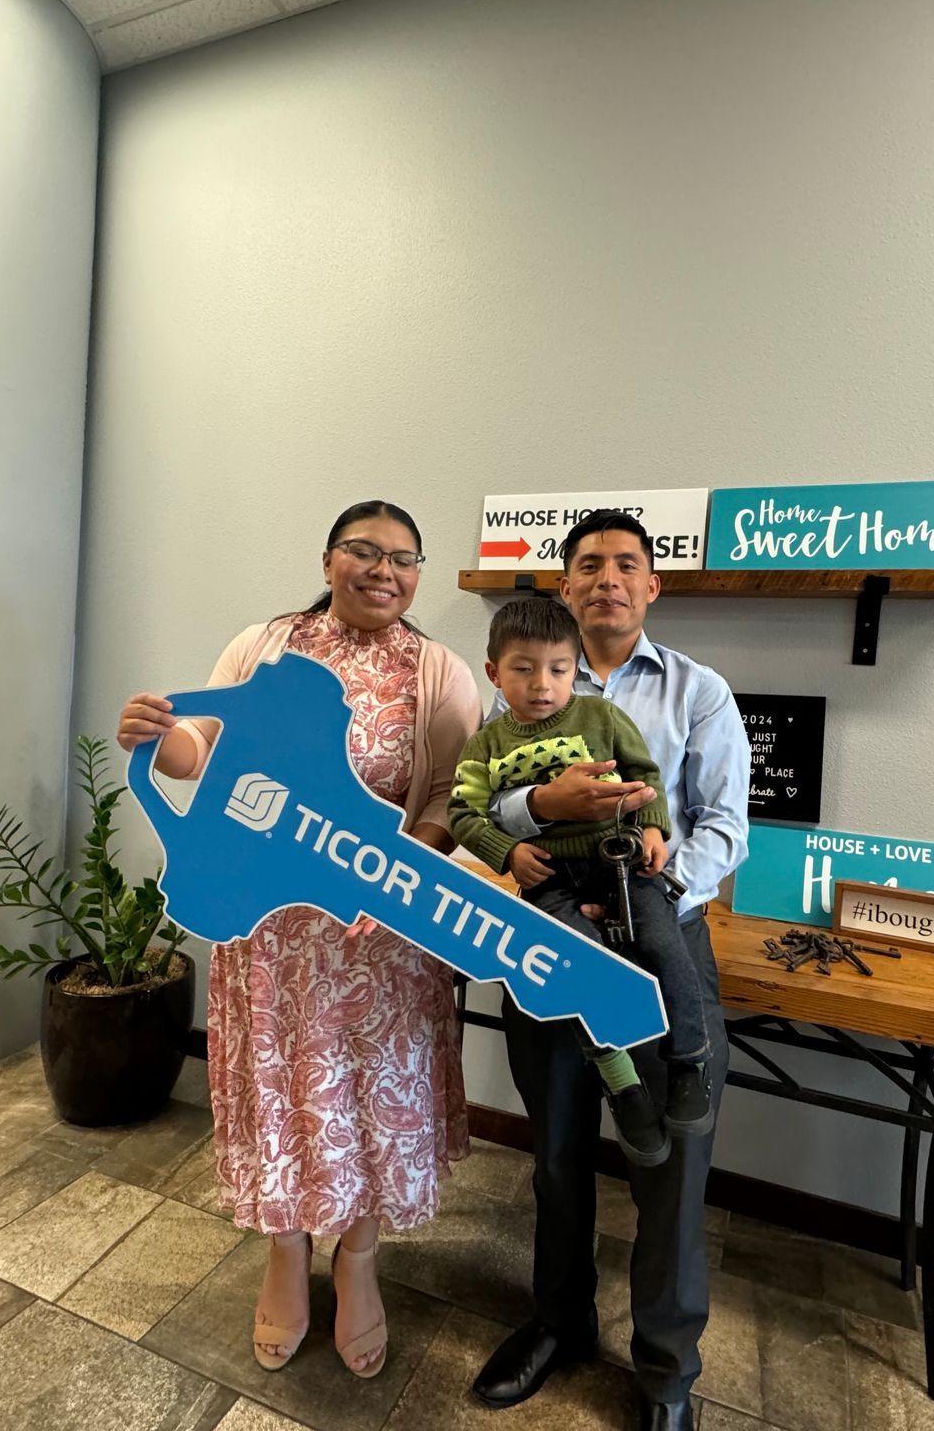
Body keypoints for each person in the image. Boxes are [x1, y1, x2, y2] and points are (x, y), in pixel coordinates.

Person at [117, 501, 481, 1380]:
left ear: (418, 575)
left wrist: (391, 872)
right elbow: (202, 749)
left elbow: (450, 795)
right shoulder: (263, 647)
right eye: (364, 550)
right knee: (282, 1093)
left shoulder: (437, 670)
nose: (383, 570)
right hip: (271, 931)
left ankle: (359, 1262)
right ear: (327, 561)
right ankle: (285, 1257)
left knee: (372, 1103)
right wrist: (160, 740)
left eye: (404, 558)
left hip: (383, 938)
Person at [470, 511, 750, 1431]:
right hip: (548, 940)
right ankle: (560, 1323)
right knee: (556, 1151)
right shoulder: (522, 683)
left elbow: (725, 825)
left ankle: (667, 1373)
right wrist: (539, 808)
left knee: (671, 1162)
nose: (607, 579)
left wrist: (651, 887)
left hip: (660, 943)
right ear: (565, 586)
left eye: (627, 564)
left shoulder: (698, 691)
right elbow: (483, 806)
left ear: (652, 586)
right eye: (589, 564)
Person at [448, 596, 713, 1169]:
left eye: (558, 669)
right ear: (494, 672)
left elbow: (645, 776)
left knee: (665, 944)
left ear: (576, 669)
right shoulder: (485, 745)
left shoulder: (602, 717)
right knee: (577, 969)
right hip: (550, 881)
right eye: (523, 669)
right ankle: (624, 1086)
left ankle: (690, 1062)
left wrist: (652, 827)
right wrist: (507, 852)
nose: (541, 684)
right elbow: (463, 814)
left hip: (622, 865)